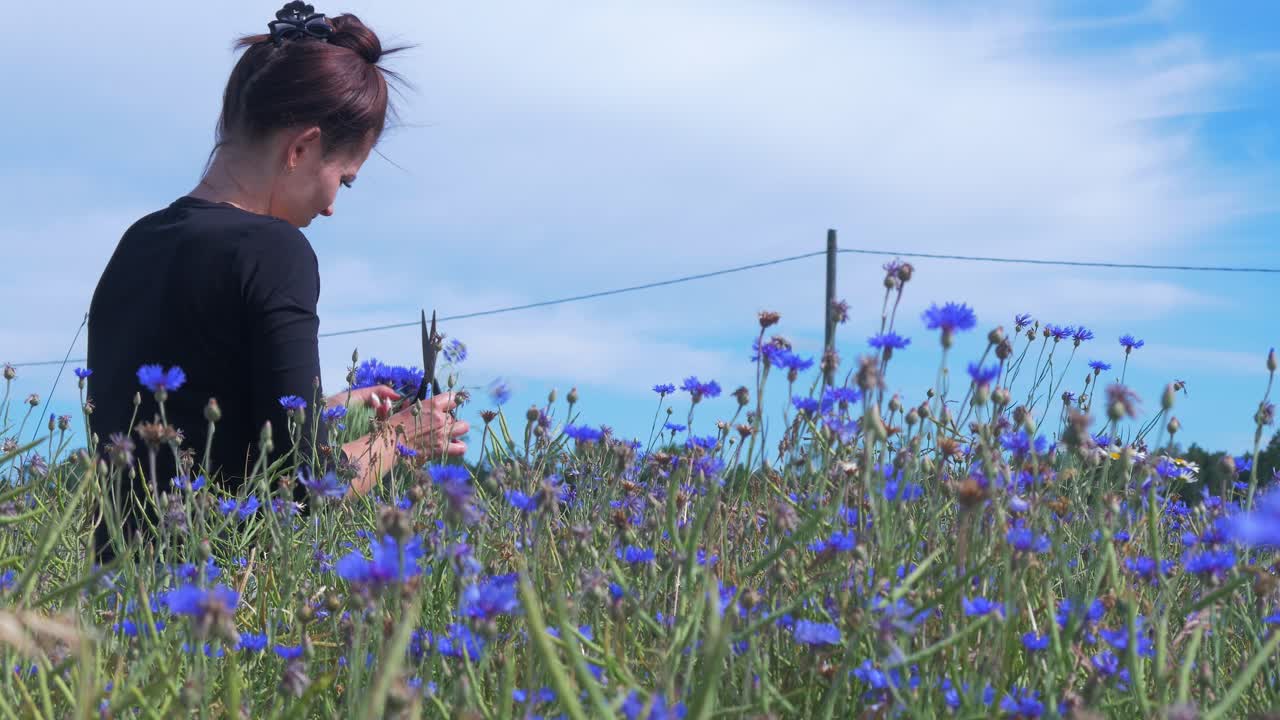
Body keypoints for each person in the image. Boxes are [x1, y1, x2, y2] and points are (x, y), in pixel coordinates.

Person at [85, 2, 468, 561]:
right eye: (344, 179)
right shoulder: (275, 250)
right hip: (207, 602)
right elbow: (301, 487)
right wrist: (404, 437)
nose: (333, 205)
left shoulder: (137, 241)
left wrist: (324, 410)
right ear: (301, 148)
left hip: (116, 603)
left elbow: (179, 423)